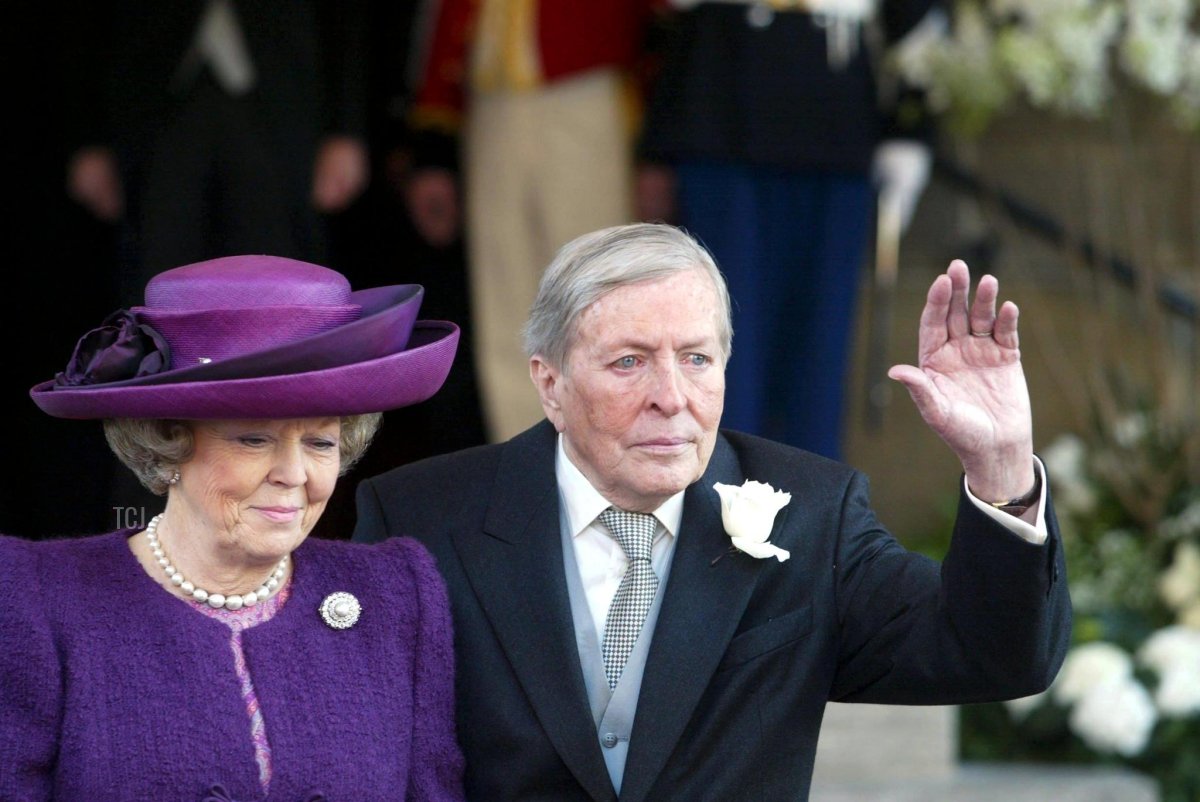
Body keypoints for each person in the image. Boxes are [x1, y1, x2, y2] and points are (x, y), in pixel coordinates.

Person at [352, 223, 1071, 801]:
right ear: (550, 384)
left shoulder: (812, 514)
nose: (672, 396)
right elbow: (365, 757)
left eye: (696, 359)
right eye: (630, 362)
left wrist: (1001, 464)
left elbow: (995, 655)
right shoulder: (420, 517)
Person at [1, 256, 465, 800]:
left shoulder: (397, 593)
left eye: (320, 443)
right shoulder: (35, 596)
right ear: (167, 441)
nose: (295, 475)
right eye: (253, 439)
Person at [638, 0, 946, 459]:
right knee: (716, 345)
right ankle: (711, 506)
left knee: (817, 360)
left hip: (834, 123)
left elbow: (921, 29)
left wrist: (911, 127)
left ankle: (808, 520)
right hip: (722, 112)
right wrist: (658, 145)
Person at [404, 0, 658, 442]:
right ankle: (523, 460)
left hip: (585, 87)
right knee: (506, 302)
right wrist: (433, 149)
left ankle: (614, 455)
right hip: (492, 100)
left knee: (598, 294)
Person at [64, 1, 370, 308]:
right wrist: (89, 138)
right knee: (158, 273)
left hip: (281, 100)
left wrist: (345, 130)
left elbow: (345, 18)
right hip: (152, 99)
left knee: (275, 275)